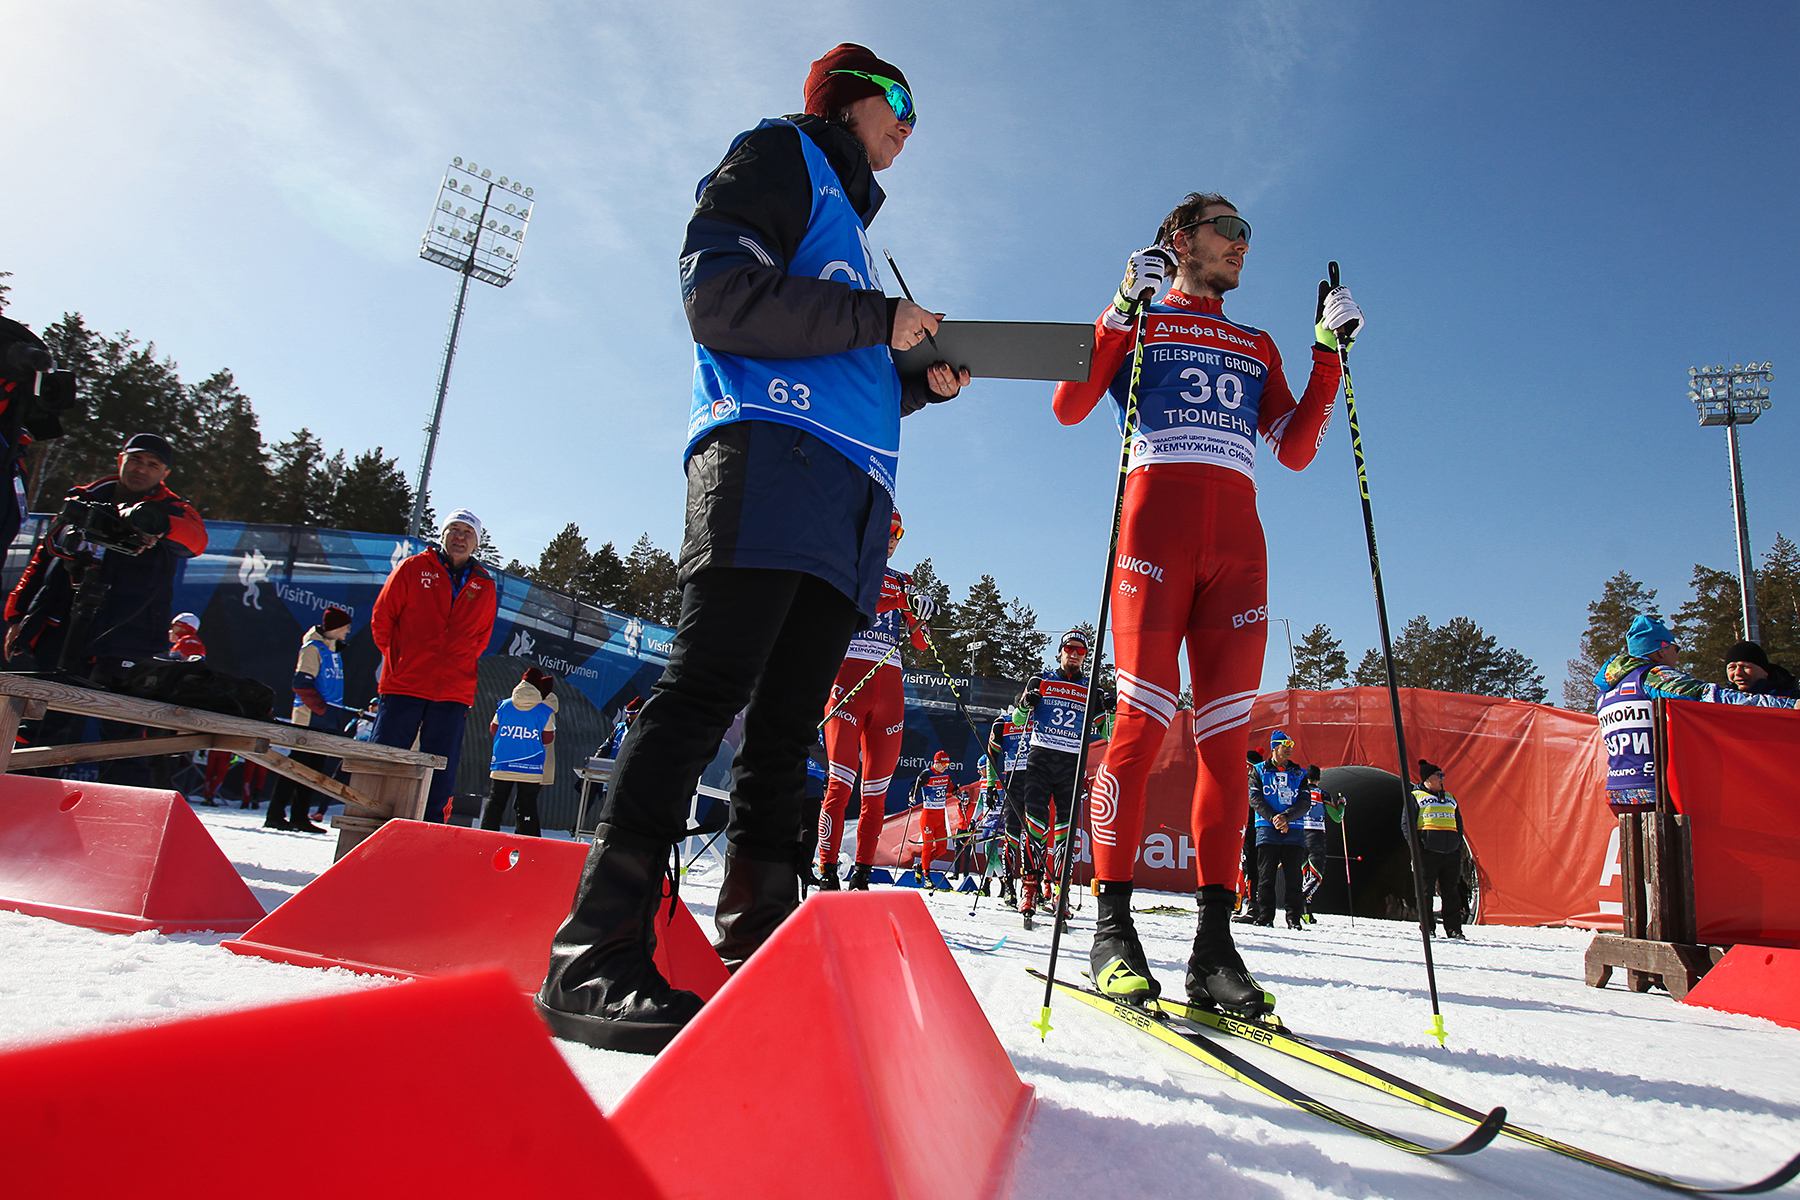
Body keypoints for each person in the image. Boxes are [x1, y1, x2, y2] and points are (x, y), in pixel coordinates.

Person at [537, 43, 965, 1055]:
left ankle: (763, 952)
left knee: (785, 732)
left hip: (845, 493)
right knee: (704, 691)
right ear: (847, 101)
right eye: (899, 100)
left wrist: (915, 378)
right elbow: (720, 298)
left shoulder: (853, 239)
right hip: (769, 459)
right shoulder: (781, 154)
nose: (910, 121)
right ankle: (593, 958)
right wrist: (878, 317)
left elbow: (838, 354)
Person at [1055, 192, 1360, 1015]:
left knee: (1228, 748)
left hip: (1240, 558)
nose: (1243, 246)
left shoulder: (1257, 343)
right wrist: (1121, 306)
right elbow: (1069, 403)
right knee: (1140, 728)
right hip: (1153, 546)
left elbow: (1295, 450)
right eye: (1230, 230)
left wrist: (1327, 351)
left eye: (1249, 235)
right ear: (1180, 239)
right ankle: (1112, 930)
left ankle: (1214, 950)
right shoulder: (1144, 318)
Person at [4, 433, 207, 783]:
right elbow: (43, 560)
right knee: (40, 727)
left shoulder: (173, 509)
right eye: (136, 460)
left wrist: (153, 522)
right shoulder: (85, 498)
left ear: (164, 473)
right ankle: (21, 804)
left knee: (124, 737)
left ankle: (121, 823)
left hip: (132, 636)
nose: (141, 469)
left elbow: (196, 540)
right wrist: (16, 615)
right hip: (65, 627)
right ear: (120, 460)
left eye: (152, 464)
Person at [816, 507, 933, 891]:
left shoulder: (904, 582)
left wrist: (920, 614)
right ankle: (828, 870)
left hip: (890, 690)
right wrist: (898, 601)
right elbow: (858, 607)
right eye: (887, 531)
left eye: (899, 535)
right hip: (849, 681)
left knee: (876, 794)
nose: (893, 540)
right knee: (839, 786)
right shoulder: (848, 566)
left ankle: (863, 876)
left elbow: (920, 643)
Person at [1596, 615, 1799, 814]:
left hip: (1617, 792)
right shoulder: (1656, 677)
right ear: (1660, 652)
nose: (1678, 655)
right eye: (1675, 648)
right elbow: (1715, 697)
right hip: (1655, 793)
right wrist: (1790, 706)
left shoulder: (1606, 690)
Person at [370, 510, 498, 823]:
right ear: (442, 534)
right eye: (454, 529)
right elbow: (382, 621)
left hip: (453, 691)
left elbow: (480, 640)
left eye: (468, 532)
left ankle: (430, 829)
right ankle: (370, 819)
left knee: (440, 765)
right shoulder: (414, 568)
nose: (460, 536)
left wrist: (453, 664)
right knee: (386, 757)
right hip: (405, 683)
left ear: (476, 542)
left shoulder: (484, 585)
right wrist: (402, 662)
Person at [1014, 630, 1110, 929]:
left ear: (1085, 657)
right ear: (1060, 652)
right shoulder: (1040, 680)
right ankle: (1029, 888)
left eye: (1081, 651)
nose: (1075, 654)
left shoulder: (1092, 689)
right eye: (1069, 648)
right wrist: (1025, 703)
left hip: (1071, 766)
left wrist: (1108, 710)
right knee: (1035, 826)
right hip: (1040, 761)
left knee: (1064, 834)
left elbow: (1105, 735)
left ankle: (1059, 891)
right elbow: (1018, 721)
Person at [265, 607, 354, 833]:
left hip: (325, 721)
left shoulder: (333, 651)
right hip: (310, 719)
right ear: (334, 627)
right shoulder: (313, 649)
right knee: (296, 767)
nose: (348, 631)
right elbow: (301, 683)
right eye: (345, 627)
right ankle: (275, 814)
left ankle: (299, 816)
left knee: (313, 771)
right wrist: (321, 710)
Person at [481, 667, 559, 838]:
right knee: (527, 805)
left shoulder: (504, 705)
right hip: (530, 765)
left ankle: (486, 837)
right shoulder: (544, 711)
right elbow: (548, 738)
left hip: (502, 762)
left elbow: (493, 729)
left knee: (496, 801)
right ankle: (525, 842)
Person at [1247, 731, 1310, 932]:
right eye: (1285, 744)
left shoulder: (1299, 773)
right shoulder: (1259, 770)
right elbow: (1255, 799)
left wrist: (1286, 817)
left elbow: (1304, 802)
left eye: (1291, 743)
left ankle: (1294, 918)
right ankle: (1265, 916)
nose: (1290, 747)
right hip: (1267, 828)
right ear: (1274, 747)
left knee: (1294, 877)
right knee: (1266, 876)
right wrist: (1274, 817)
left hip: (1294, 829)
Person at [1408, 759, 1468, 938]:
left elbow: (1459, 823)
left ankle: (1454, 929)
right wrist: (1418, 848)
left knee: (1451, 892)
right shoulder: (1416, 796)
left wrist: (1458, 846)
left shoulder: (1449, 797)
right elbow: (1407, 824)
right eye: (1439, 775)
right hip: (1428, 852)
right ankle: (1428, 928)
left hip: (1450, 852)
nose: (1443, 779)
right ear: (1428, 779)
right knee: (1425, 892)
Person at [986, 704, 1031, 906]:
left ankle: (1032, 888)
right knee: (1012, 836)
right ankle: (1009, 888)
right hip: (1012, 784)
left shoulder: (1037, 720)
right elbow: (991, 756)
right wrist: (990, 786)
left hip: (1035, 782)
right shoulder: (1003, 723)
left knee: (1034, 836)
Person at [1298, 765, 1344, 923]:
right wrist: (1342, 804)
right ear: (1318, 779)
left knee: (1306, 874)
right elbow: (1338, 817)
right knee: (1316, 875)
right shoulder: (1322, 793)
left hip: (1299, 835)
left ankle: (1306, 912)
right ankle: (1302, 898)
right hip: (1316, 836)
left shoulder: (1298, 792)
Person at [905, 750, 954, 887]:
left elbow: (950, 787)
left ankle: (921, 866)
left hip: (940, 816)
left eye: (947, 764)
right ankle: (927, 876)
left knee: (942, 848)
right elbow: (915, 787)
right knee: (927, 847)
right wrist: (912, 798)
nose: (945, 766)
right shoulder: (927, 774)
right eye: (943, 763)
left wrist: (958, 793)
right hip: (928, 817)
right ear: (936, 762)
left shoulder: (946, 774)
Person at [1723, 641, 1800, 699]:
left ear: (1765, 671)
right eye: (1732, 667)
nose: (1738, 673)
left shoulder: (1792, 698)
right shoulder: (1722, 701)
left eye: (1745, 667)